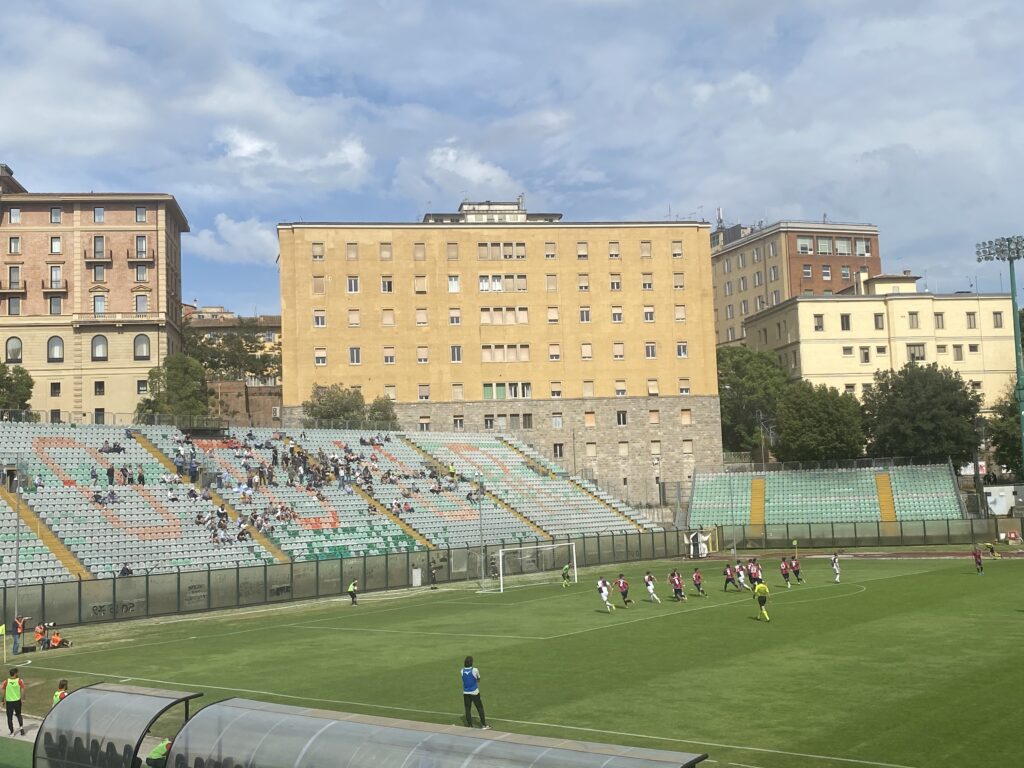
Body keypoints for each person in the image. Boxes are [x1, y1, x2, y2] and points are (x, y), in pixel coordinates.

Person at [460, 656, 490, 729]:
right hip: (474, 692)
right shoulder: (475, 670)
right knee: (480, 708)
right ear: (471, 663)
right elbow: (478, 679)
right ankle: (483, 725)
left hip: (466, 693)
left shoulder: (462, 670)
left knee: (467, 709)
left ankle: (470, 725)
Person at [2, 668, 25, 736]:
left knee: (9, 717)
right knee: (19, 714)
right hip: (17, 701)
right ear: (15, 674)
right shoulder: (19, 681)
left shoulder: (6, 681)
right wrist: (23, 699)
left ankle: (12, 732)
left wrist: (2, 700)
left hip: (9, 702)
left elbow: (2, 690)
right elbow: (23, 689)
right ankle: (21, 729)